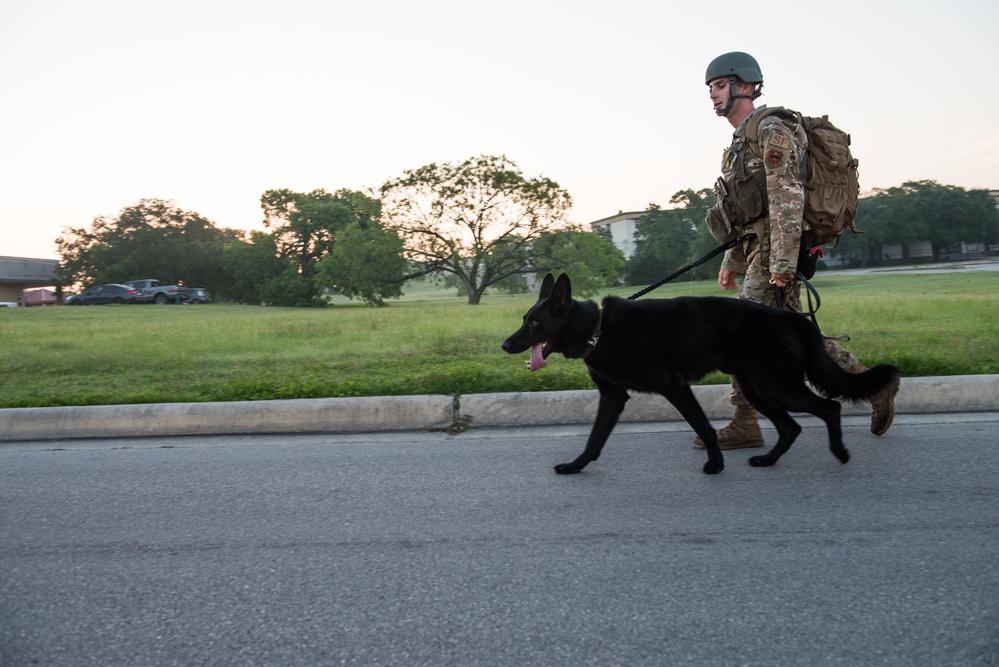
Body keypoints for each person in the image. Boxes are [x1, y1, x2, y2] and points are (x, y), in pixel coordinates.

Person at [697, 51, 900, 449]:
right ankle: (873, 388)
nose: (713, 95)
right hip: (762, 247)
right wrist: (733, 260)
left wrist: (783, 263)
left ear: (746, 85)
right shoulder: (739, 142)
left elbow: (785, 196)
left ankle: (744, 423)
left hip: (779, 249)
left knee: (741, 335)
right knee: (794, 335)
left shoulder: (771, 128)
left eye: (720, 85)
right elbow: (744, 211)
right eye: (711, 88)